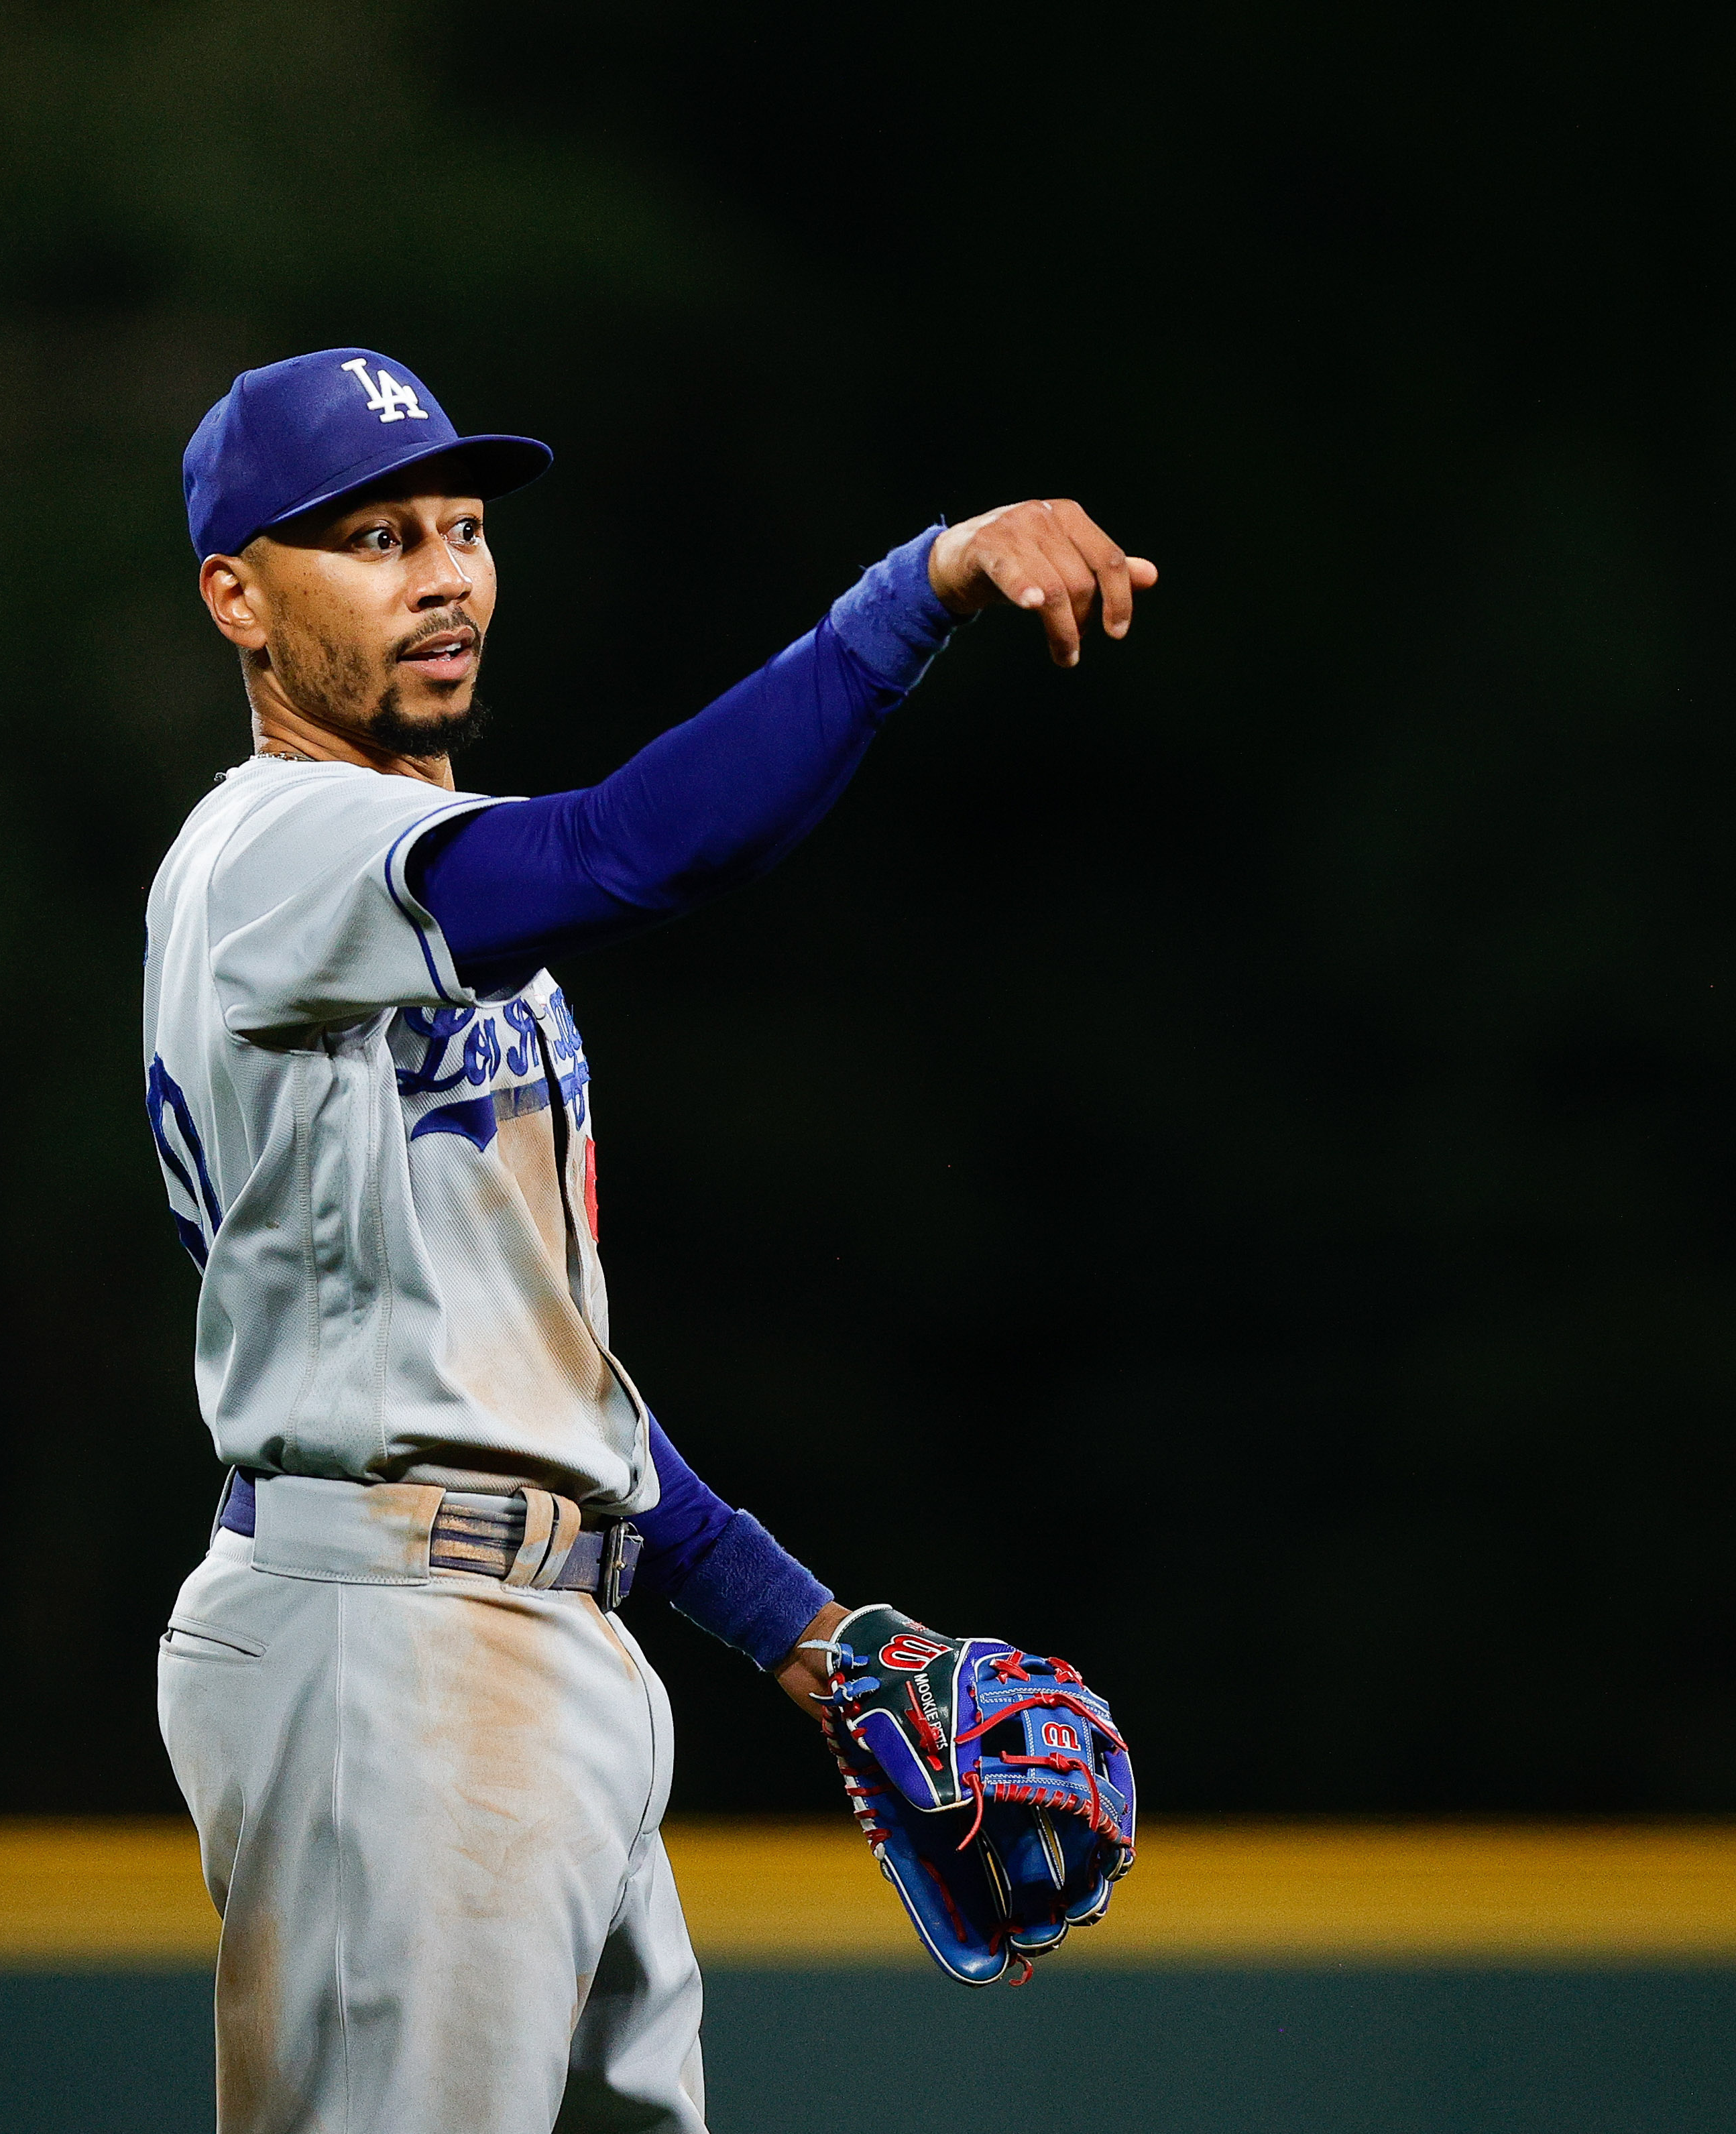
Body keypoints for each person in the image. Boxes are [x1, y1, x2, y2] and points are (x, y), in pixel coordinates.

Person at [139, 347, 1155, 2133]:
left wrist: (806, 1631)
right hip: (393, 1638)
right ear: (237, 596)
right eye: (374, 540)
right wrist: (910, 595)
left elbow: (530, 1369)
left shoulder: (396, 875)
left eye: (460, 528)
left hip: (526, 1638)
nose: (446, 573)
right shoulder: (277, 851)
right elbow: (632, 854)